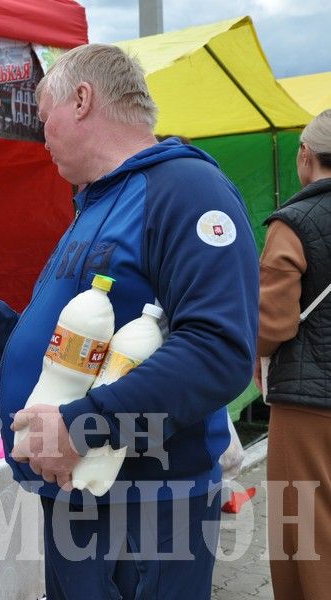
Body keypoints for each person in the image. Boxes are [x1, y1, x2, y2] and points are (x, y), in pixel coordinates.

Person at [0, 44, 259, 599]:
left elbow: (219, 350)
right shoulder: (98, 203)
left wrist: (82, 424)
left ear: (83, 100)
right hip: (83, 497)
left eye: (45, 121)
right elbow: (69, 351)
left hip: (147, 507)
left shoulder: (184, 189)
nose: (43, 140)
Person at [257, 109, 331, 600]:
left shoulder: (294, 222)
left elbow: (273, 323)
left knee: (307, 530)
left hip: (309, 407)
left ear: (305, 155)